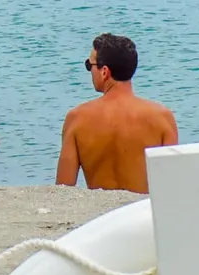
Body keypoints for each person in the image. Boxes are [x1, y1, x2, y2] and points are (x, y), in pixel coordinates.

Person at [55, 33, 178, 192]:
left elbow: (63, 190)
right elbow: (171, 187)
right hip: (142, 214)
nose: (89, 71)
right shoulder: (162, 118)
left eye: (89, 65)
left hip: (101, 216)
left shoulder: (76, 119)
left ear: (104, 71)